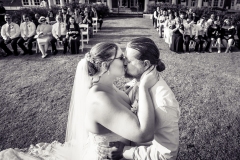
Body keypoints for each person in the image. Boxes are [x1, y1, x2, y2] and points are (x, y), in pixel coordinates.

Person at [0, 41, 158, 160]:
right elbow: (144, 136)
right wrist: (143, 88)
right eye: (121, 57)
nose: (125, 61)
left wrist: (136, 84)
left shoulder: (108, 86)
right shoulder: (99, 100)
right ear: (105, 65)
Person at [98, 37, 180, 160]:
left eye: (129, 61)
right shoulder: (136, 83)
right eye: (124, 57)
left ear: (146, 64)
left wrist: (125, 151)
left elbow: (167, 155)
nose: (124, 63)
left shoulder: (163, 102)